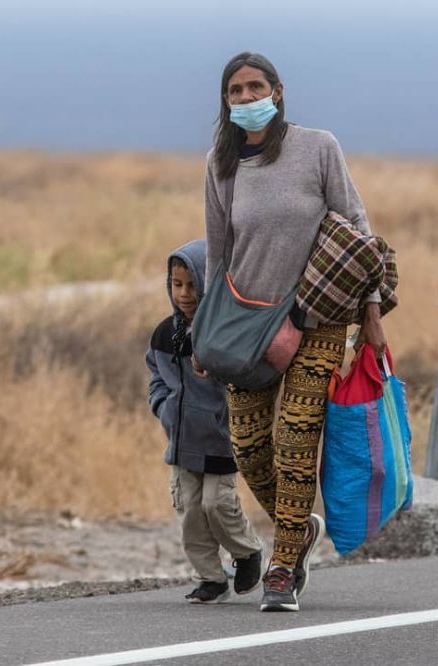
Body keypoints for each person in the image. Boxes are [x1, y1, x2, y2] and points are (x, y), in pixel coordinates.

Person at [203, 52, 388, 612]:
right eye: (235, 90)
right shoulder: (221, 162)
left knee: (296, 442)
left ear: (278, 92)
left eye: (255, 86)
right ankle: (299, 525)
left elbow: (357, 227)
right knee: (251, 446)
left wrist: (372, 312)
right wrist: (203, 331)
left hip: (319, 317)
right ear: (226, 100)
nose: (245, 97)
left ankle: (282, 569)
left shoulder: (318, 147)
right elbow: (218, 251)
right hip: (246, 321)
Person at [146, 239, 264, 604]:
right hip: (183, 442)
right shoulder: (165, 334)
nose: (184, 294)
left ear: (208, 283)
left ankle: (246, 552)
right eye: (176, 285)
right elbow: (155, 375)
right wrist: (163, 406)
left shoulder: (223, 333)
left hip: (220, 438)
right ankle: (210, 578)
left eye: (192, 285)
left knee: (217, 505)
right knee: (191, 513)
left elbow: (242, 378)